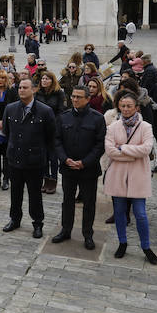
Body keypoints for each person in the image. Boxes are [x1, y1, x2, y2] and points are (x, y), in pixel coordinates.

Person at [104, 91, 157, 264]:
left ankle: (146, 246)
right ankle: (122, 242)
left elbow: (146, 149)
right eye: (122, 106)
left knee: (140, 214)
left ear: (136, 107)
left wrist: (123, 149)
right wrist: (132, 152)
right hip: (118, 175)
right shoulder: (113, 127)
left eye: (129, 106)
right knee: (119, 212)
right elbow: (110, 151)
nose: (125, 109)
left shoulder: (146, 127)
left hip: (138, 175)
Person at [50, 86, 107, 249]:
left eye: (79, 97)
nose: (75, 99)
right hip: (68, 168)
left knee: (89, 203)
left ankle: (87, 234)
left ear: (88, 99)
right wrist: (65, 159)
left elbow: (99, 145)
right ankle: (65, 230)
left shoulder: (97, 118)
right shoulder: (64, 117)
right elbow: (57, 140)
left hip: (88, 169)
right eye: (73, 96)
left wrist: (84, 162)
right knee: (67, 201)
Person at [1, 78, 56, 239]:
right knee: (15, 193)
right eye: (19, 87)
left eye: (25, 87)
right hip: (15, 159)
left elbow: (51, 136)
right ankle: (15, 219)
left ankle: (38, 223)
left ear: (33, 90)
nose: (21, 90)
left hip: (35, 162)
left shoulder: (45, 111)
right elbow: (7, 131)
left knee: (35, 195)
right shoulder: (10, 109)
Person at [34, 71, 66, 195]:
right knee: (43, 157)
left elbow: (61, 111)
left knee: (53, 157)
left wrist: (52, 123)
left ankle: (53, 181)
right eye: (43, 79)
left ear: (52, 81)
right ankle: (45, 179)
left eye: (47, 79)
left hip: (54, 128)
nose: (44, 81)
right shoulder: (37, 93)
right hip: (40, 129)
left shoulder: (59, 93)